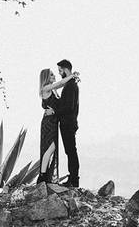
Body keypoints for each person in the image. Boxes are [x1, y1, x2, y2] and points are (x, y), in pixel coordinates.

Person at [37, 67, 78, 184]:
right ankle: (42, 175)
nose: (53, 76)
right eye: (51, 75)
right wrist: (72, 75)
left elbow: (59, 87)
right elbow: (60, 83)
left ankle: (44, 174)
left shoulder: (52, 90)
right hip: (48, 122)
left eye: (53, 74)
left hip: (54, 121)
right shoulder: (45, 88)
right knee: (50, 147)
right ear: (45, 77)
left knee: (52, 148)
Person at [55, 59, 80, 188]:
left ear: (65, 69)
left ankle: (74, 180)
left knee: (71, 151)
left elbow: (69, 107)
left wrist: (55, 111)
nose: (59, 73)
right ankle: (73, 178)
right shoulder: (70, 84)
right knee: (70, 151)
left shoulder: (70, 86)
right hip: (69, 122)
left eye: (60, 70)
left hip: (68, 123)